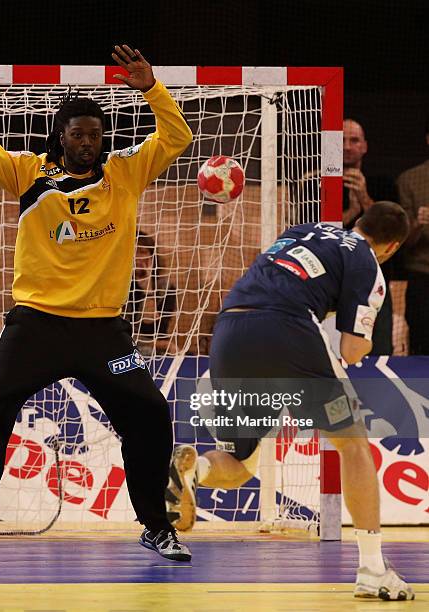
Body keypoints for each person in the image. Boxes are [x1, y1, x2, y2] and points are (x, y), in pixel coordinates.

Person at [0, 43, 192, 562]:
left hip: (103, 331)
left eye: (94, 134)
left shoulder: (125, 173)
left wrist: (150, 89)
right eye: (77, 135)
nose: (87, 143)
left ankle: (156, 524)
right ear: (62, 137)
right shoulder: (30, 173)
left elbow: (177, 137)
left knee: (149, 412)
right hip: (37, 326)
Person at [167, 203, 414, 600]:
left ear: (357, 221)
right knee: (353, 446)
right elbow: (351, 349)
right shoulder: (367, 261)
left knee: (243, 464)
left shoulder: (304, 230)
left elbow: (283, 278)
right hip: (288, 327)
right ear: (392, 246)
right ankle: (372, 570)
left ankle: (191, 472)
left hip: (230, 327)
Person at [343, 119, 399, 355]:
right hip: (334, 280)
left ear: (364, 146)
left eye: (354, 140)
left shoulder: (383, 183)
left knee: (379, 349)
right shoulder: (315, 183)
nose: (347, 146)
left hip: (375, 280)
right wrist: (352, 213)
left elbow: (393, 230)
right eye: (341, 140)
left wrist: (365, 199)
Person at [397, 117, 429, 354]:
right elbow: (403, 242)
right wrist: (418, 223)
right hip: (422, 277)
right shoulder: (410, 179)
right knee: (420, 344)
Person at [125, 231, 176, 355]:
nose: (137, 257)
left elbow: (157, 327)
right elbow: (125, 332)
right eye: (134, 251)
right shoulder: (120, 287)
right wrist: (161, 344)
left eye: (142, 252)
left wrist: (147, 288)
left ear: (152, 257)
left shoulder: (164, 287)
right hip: (127, 347)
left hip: (156, 349)